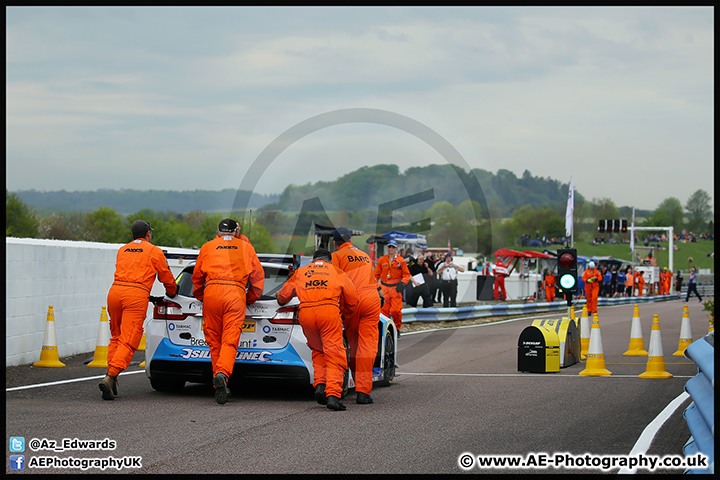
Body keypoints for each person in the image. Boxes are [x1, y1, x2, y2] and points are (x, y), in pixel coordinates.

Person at [99, 220, 178, 401]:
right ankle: (110, 376)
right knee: (129, 339)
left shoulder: (123, 250)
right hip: (135, 295)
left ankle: (112, 376)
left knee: (116, 337)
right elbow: (165, 276)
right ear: (148, 234)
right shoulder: (154, 251)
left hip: (114, 292)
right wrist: (172, 291)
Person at [191, 218, 265, 405]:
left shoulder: (207, 247)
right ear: (236, 232)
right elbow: (257, 278)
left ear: (218, 231)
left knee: (214, 341)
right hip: (235, 293)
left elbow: (197, 276)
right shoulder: (246, 247)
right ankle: (223, 374)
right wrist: (249, 299)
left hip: (212, 293)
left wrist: (201, 295)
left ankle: (219, 381)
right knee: (229, 340)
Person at [278, 249, 358, 411]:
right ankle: (334, 395)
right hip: (328, 312)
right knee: (334, 353)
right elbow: (353, 299)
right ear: (329, 260)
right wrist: (343, 314)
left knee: (318, 350)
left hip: (306, 314)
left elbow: (282, 297)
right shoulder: (337, 271)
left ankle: (320, 385)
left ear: (313, 260)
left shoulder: (301, 272)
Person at [331, 227, 382, 405]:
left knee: (353, 345)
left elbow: (333, 283)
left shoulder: (336, 256)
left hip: (352, 301)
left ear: (335, 242)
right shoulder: (364, 255)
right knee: (367, 346)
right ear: (351, 239)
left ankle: (354, 382)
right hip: (372, 299)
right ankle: (363, 391)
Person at [374, 239, 415, 334]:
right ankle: (386, 329)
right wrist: (377, 286)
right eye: (389, 247)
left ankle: (397, 328)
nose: (391, 249)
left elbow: (406, 274)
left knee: (396, 310)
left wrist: (403, 283)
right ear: (387, 248)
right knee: (384, 311)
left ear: (396, 248)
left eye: (393, 247)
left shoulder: (401, 260)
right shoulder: (382, 260)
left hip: (396, 288)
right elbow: (375, 275)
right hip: (384, 288)